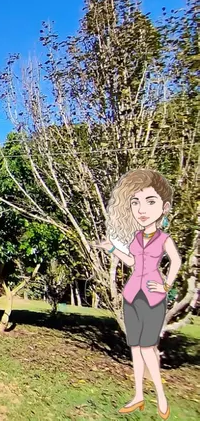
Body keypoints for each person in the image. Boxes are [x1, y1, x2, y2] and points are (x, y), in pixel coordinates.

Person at [93, 169, 182, 420]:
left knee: (147, 348)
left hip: (153, 297)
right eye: (136, 202)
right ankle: (139, 395)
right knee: (136, 347)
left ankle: (162, 397)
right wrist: (111, 248)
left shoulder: (164, 238)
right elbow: (132, 262)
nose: (142, 209)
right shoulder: (136, 237)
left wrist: (166, 286)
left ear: (163, 207)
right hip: (132, 296)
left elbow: (175, 261)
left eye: (149, 201)